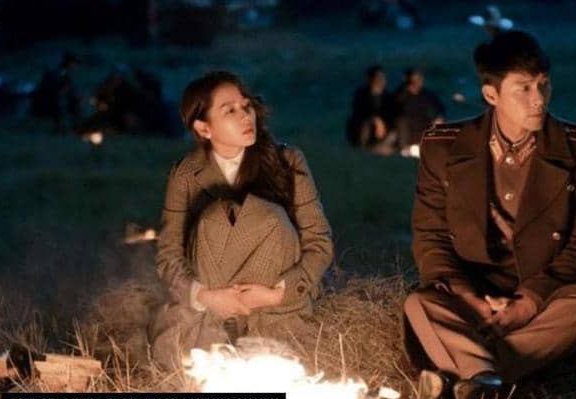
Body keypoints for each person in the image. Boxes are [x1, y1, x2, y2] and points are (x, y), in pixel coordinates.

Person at [403, 30, 576, 399]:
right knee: (419, 304)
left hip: (545, 297)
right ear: (491, 95)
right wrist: (469, 299)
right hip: (469, 295)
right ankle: (490, 380)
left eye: (543, 85)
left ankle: (474, 375)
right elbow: (430, 238)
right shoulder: (443, 148)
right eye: (524, 88)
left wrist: (528, 302)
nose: (539, 99)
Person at [150, 71, 334, 369]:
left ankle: (265, 340)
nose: (246, 116)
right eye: (230, 110)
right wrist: (205, 297)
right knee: (213, 220)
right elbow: (168, 255)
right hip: (215, 300)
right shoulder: (185, 174)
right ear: (204, 128)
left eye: (246, 106)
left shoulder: (288, 160)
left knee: (270, 217)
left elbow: (319, 243)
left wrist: (277, 295)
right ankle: (215, 339)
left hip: (275, 303)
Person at [346, 65, 396, 154]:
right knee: (365, 124)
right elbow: (358, 111)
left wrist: (382, 124)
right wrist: (375, 119)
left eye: (382, 77)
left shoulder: (388, 97)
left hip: (384, 129)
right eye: (378, 77)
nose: (381, 80)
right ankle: (362, 148)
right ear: (371, 79)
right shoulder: (361, 94)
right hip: (366, 126)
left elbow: (391, 113)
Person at [393, 68, 445, 151]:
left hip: (424, 131)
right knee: (401, 121)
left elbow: (439, 111)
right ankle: (404, 150)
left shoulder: (427, 96)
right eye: (415, 79)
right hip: (407, 133)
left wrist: (438, 119)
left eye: (419, 79)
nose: (417, 82)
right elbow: (396, 115)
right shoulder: (400, 96)